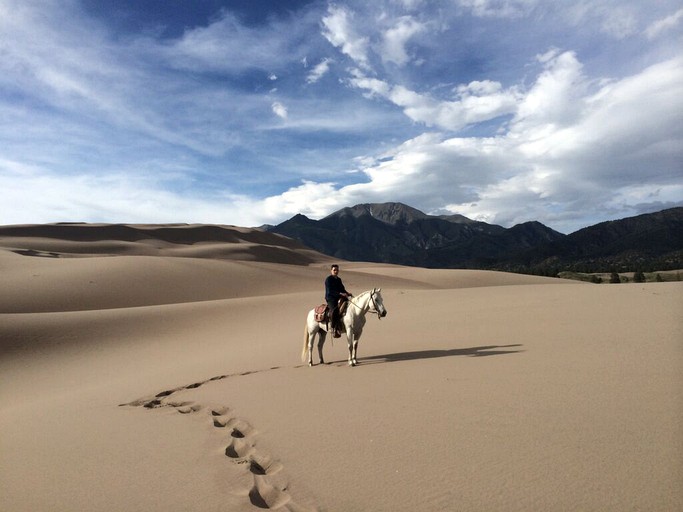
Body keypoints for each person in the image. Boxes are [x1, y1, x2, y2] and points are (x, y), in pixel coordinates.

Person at [324, 264, 352, 338]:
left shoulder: (339, 280)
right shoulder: (328, 280)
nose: (336, 271)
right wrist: (340, 293)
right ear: (331, 271)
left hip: (339, 297)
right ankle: (333, 328)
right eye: (334, 270)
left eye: (337, 270)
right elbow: (330, 291)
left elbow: (342, 289)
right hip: (331, 298)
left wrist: (347, 293)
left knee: (348, 304)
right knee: (334, 310)